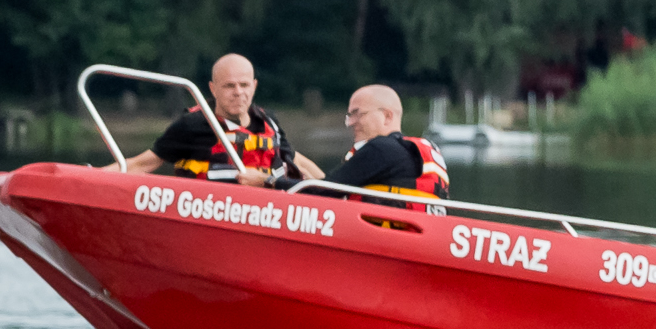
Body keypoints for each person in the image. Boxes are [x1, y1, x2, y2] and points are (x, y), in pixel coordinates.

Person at [133, 53, 306, 184]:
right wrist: (104, 179)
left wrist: (327, 186)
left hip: (266, 213)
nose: (238, 92)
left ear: (254, 87)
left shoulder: (269, 123)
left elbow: (296, 160)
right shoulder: (193, 125)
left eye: (244, 85)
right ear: (213, 89)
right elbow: (141, 164)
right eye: (229, 86)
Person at [317, 85, 450, 199]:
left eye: (358, 114)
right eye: (350, 116)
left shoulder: (381, 150)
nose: (350, 123)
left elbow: (320, 191)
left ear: (387, 116)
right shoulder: (407, 154)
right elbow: (330, 184)